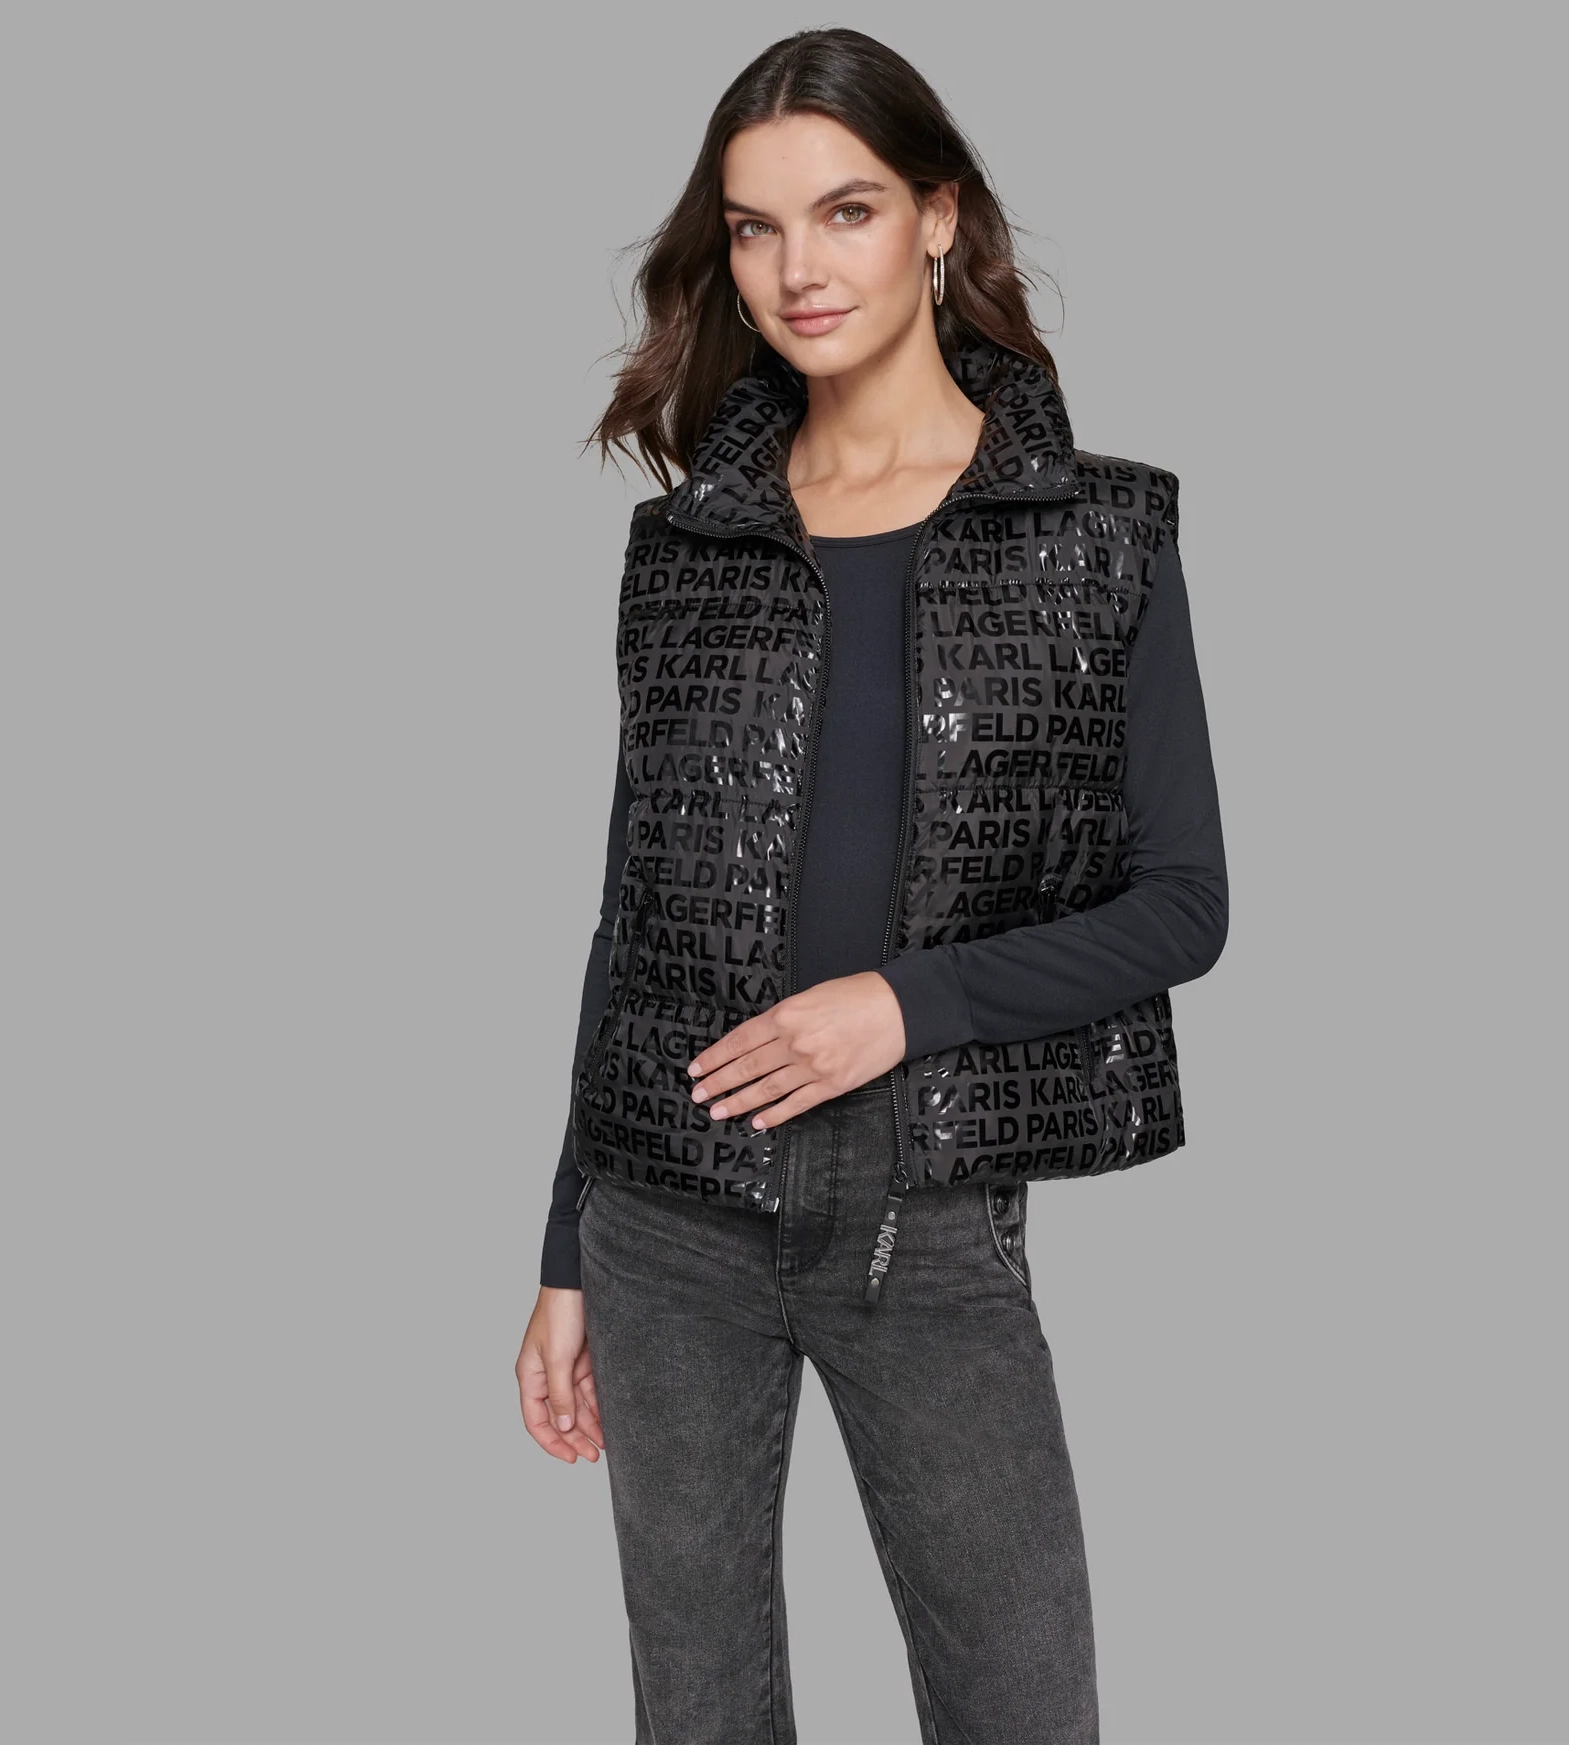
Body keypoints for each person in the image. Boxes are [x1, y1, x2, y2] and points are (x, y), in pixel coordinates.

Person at [514, 26, 1227, 1744]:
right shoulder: (689, 546)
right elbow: (631, 915)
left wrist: (902, 1007)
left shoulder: (1096, 534)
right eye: (755, 229)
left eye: (844, 211)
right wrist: (564, 1251)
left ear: (936, 216)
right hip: (667, 1199)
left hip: (927, 1200)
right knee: (700, 1717)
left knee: (1022, 1706)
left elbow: (1183, 903)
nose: (797, 270)